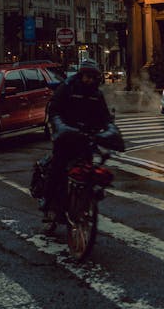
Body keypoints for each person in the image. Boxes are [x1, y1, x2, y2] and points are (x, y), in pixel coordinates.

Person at [40, 59, 124, 214]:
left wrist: (110, 132)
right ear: (81, 75)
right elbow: (55, 110)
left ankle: (83, 205)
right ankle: (47, 198)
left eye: (92, 77)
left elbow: (105, 118)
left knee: (88, 172)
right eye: (87, 76)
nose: (89, 80)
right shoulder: (67, 88)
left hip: (86, 138)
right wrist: (62, 128)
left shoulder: (97, 95)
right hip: (66, 136)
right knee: (58, 167)